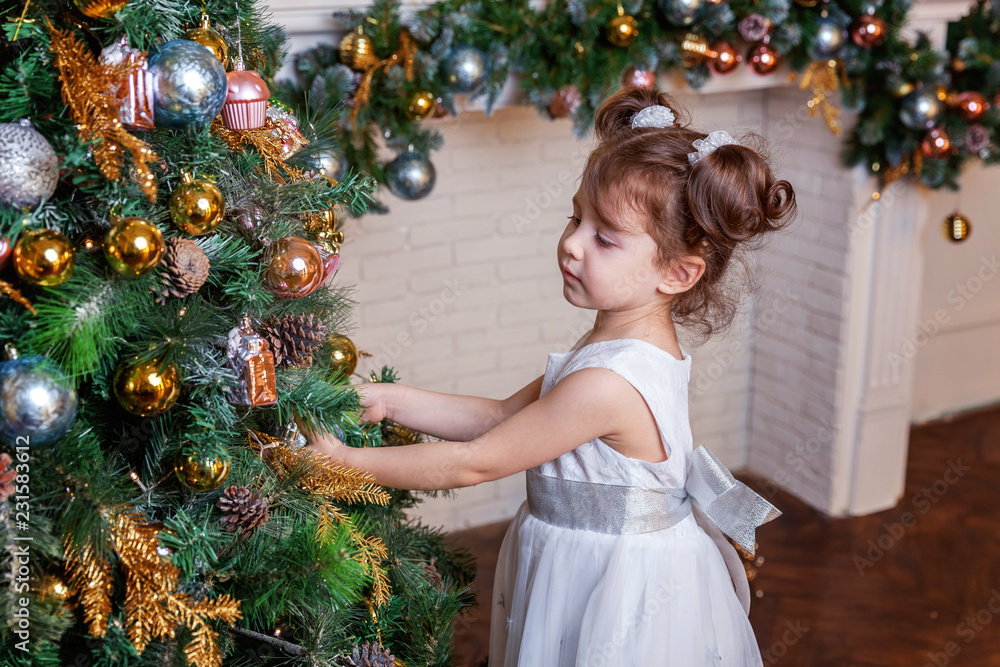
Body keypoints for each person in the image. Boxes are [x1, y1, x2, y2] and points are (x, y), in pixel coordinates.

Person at [302, 86, 797, 666]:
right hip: (581, 558)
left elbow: (477, 460)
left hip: (613, 585)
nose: (571, 244)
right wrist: (391, 400)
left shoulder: (609, 383)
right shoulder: (617, 346)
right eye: (575, 217)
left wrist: (346, 464)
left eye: (605, 237)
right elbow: (502, 418)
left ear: (678, 272)